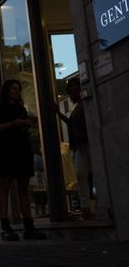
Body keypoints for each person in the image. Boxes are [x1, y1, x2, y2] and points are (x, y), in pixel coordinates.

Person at [0, 79, 46, 241]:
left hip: (23, 149)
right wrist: (12, 123)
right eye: (13, 88)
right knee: (5, 186)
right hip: (7, 149)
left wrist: (25, 124)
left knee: (23, 187)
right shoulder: (0, 107)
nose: (16, 91)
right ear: (7, 90)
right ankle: (5, 226)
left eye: (18, 88)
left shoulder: (21, 108)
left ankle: (29, 226)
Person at [53, 77, 93, 219]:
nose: (71, 93)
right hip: (80, 145)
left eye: (73, 89)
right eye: (69, 90)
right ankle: (86, 207)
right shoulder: (79, 106)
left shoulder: (83, 104)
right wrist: (58, 114)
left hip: (86, 143)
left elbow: (72, 124)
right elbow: (71, 123)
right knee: (81, 174)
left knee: (82, 174)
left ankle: (88, 207)